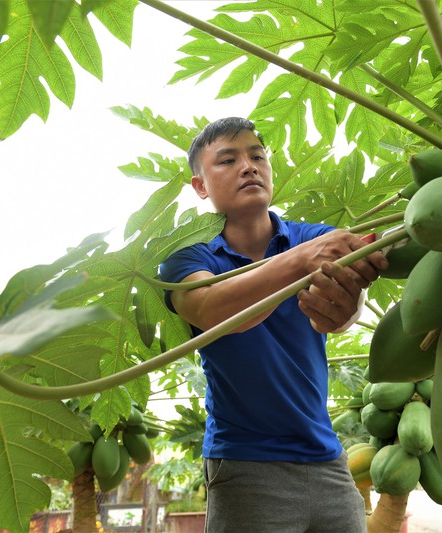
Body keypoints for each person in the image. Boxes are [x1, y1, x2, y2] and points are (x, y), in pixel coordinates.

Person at [159, 117, 388, 532]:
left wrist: (346, 307)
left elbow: (346, 306)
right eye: (228, 160)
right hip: (246, 465)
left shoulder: (311, 235)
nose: (248, 166)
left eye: (257, 156)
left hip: (329, 460)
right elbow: (211, 310)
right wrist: (301, 262)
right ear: (200, 186)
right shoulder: (185, 258)